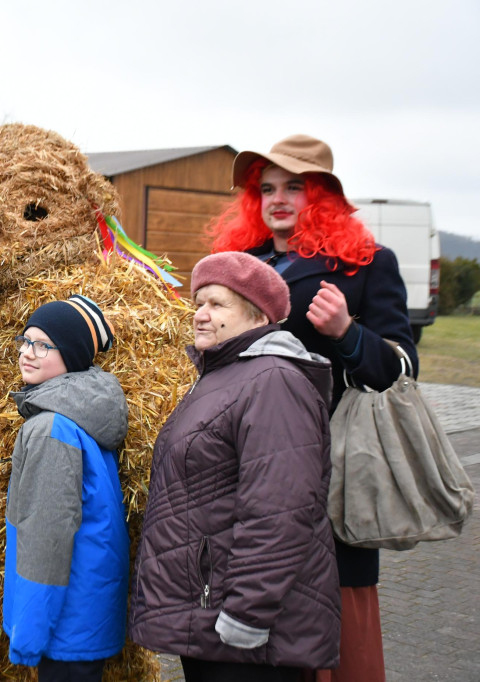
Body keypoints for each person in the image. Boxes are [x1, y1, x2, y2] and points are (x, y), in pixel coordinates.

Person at [208, 134, 418, 682]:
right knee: (250, 606)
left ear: (321, 194)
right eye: (267, 188)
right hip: (242, 469)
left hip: (326, 478)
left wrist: (348, 333)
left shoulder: (366, 265)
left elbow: (402, 369)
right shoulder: (241, 263)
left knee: (330, 637)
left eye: (295, 187)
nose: (278, 198)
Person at [129, 252, 339, 682]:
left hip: (245, 633)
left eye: (217, 304)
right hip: (211, 614)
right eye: (198, 303)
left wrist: (246, 614)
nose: (200, 316)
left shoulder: (274, 382)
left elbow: (280, 512)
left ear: (258, 314)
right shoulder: (224, 375)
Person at [3, 294, 129, 682]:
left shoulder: (50, 428)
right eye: (26, 341)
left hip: (63, 619)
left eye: (43, 345)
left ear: (71, 355)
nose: (28, 352)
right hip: (87, 606)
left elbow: (47, 538)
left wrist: (29, 633)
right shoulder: (84, 413)